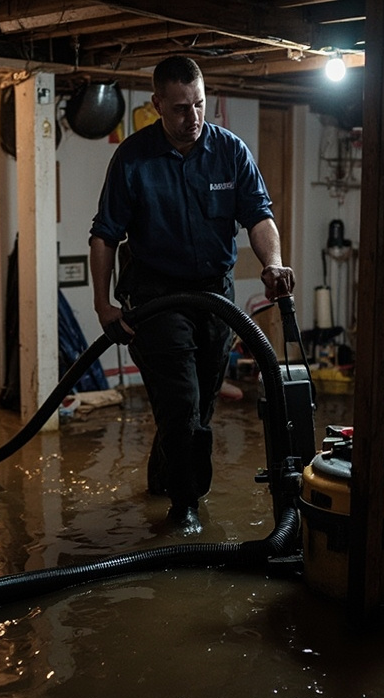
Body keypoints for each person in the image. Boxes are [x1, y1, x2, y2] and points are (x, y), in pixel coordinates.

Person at [88, 55, 295, 534]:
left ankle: (162, 479)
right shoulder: (133, 158)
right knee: (182, 403)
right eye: (181, 108)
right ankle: (186, 507)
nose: (193, 117)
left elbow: (258, 215)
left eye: (199, 104)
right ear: (158, 104)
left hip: (214, 296)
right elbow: (105, 235)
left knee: (198, 405)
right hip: (157, 296)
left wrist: (273, 262)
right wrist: (102, 304)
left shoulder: (230, 151)